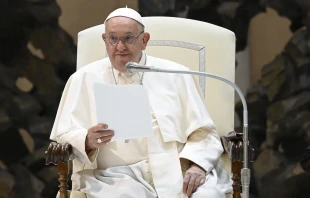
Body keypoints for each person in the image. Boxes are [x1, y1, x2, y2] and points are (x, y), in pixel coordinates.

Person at [50, 7, 232, 198]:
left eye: (128, 38)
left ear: (144, 40)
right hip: (116, 177)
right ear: (105, 40)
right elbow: (63, 136)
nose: (120, 47)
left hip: (178, 170)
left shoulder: (175, 74)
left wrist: (197, 165)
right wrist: (87, 140)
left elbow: (205, 132)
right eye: (113, 38)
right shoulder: (83, 79)